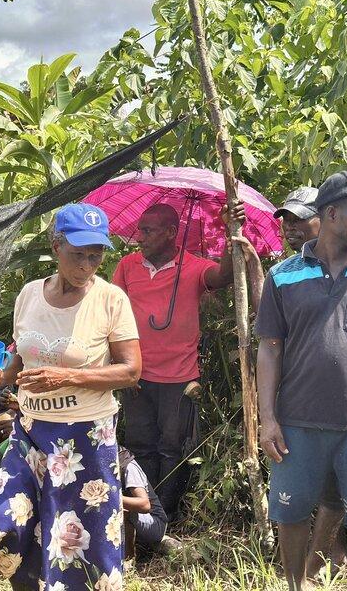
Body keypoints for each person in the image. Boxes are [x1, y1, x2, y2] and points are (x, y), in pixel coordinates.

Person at [0, 203, 141, 589]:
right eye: (77, 253)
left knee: (83, 543)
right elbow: (20, 355)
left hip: (85, 439)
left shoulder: (110, 300)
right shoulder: (30, 294)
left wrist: (68, 376)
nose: (86, 264)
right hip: (30, 432)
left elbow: (131, 371)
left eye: (95, 255)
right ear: (55, 245)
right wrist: (0, 377)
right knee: (14, 524)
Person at [256, 171, 347, 591]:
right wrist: (268, 420)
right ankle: (296, 586)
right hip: (296, 426)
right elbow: (270, 348)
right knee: (291, 517)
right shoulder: (283, 276)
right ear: (331, 214)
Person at [112, 201, 254, 520]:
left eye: (148, 231)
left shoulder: (194, 267)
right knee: (139, 444)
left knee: (172, 449)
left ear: (171, 233)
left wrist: (232, 234)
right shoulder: (128, 266)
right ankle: (143, 516)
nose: (140, 237)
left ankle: (165, 518)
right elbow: (112, 314)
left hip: (179, 378)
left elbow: (223, 276)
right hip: (135, 375)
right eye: (140, 230)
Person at [274, 186, 347, 576]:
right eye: (286, 220)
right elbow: (269, 336)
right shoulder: (285, 273)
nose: (290, 227)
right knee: (313, 487)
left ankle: (317, 564)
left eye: (300, 218)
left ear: (329, 217)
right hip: (300, 400)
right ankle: (324, 559)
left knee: (336, 488)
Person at [118, 446, 168, 555]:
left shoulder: (128, 466)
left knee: (121, 512)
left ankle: (128, 560)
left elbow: (144, 505)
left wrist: (112, 498)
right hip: (138, 521)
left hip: (155, 523)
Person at [275, 186, 321, 253]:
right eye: (286, 219)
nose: (289, 227)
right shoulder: (289, 263)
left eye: (298, 219)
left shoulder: (340, 261)